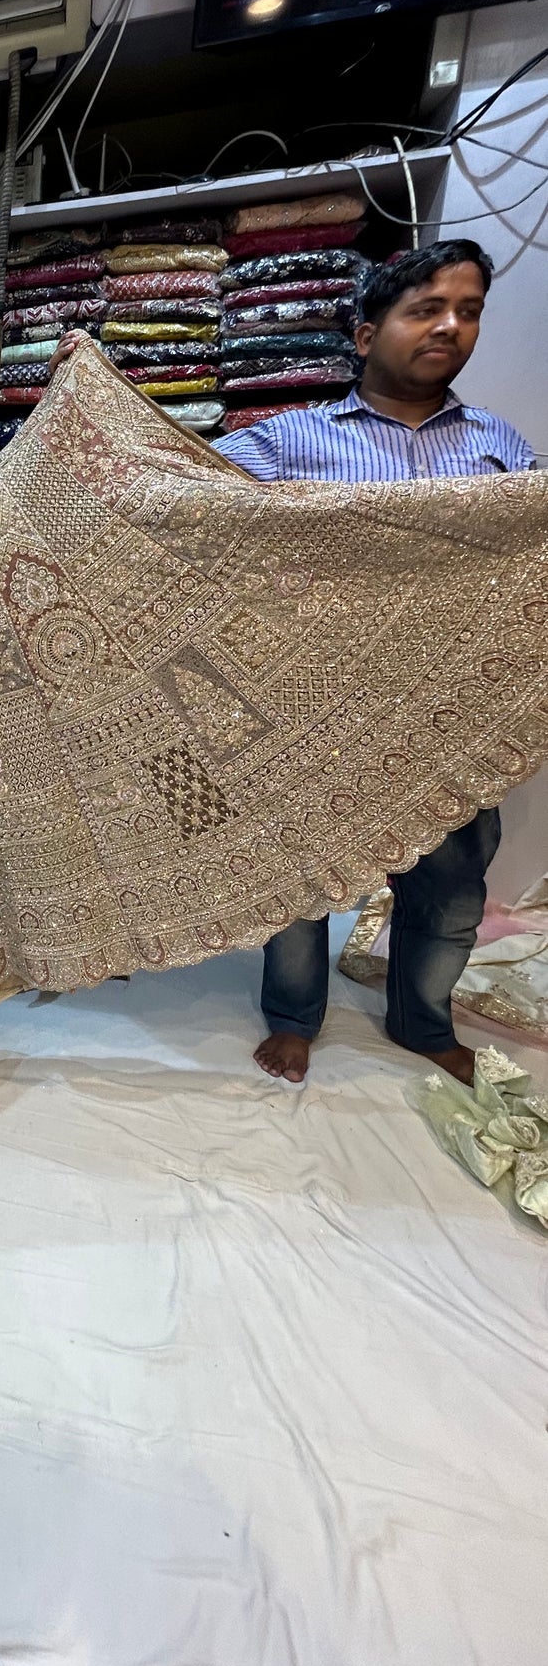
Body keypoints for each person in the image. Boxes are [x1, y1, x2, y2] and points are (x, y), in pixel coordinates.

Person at [211, 240, 532, 1086]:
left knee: (452, 890)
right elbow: (182, 512)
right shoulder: (286, 444)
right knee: (299, 878)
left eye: (467, 311)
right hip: (319, 709)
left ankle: (422, 1022)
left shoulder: (503, 451)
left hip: (454, 718)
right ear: (365, 333)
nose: (450, 326)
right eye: (425, 308)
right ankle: (293, 1017)